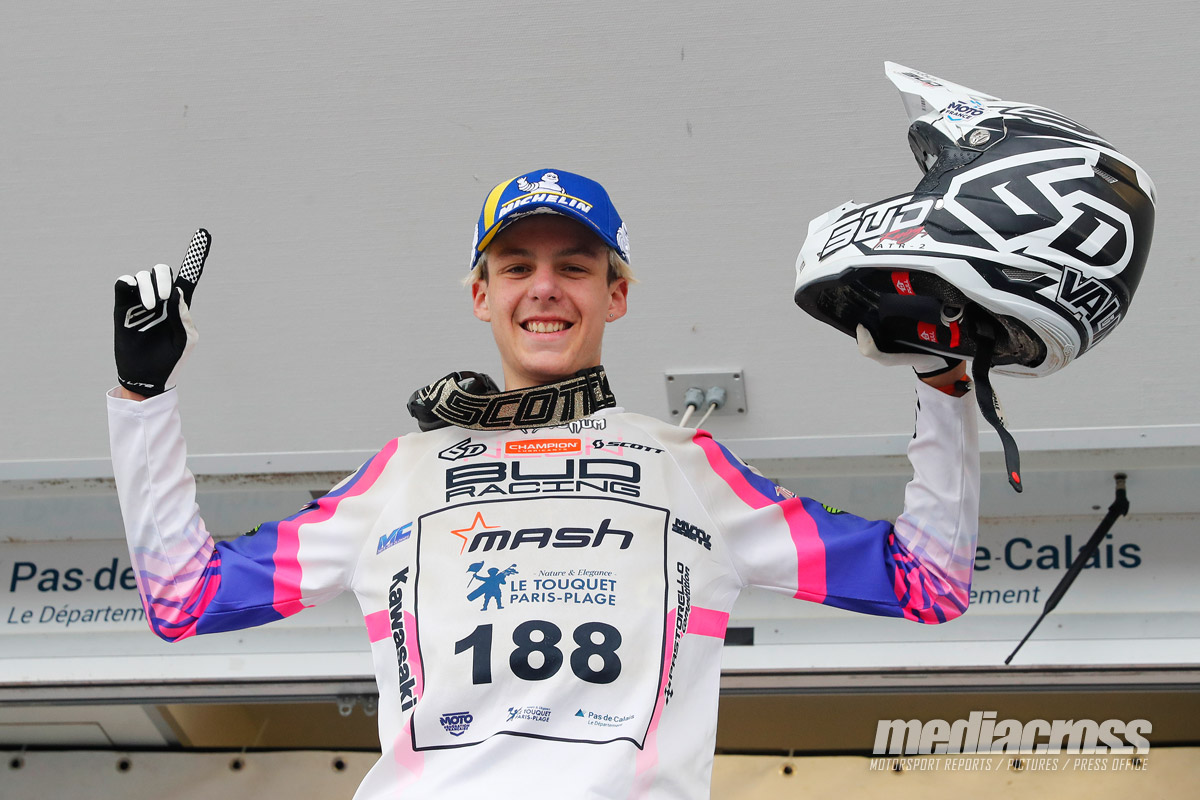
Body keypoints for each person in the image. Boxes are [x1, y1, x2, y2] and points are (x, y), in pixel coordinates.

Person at [108, 168, 979, 799]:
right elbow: (185, 599)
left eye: (576, 266)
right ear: (481, 295)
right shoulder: (399, 474)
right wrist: (142, 399)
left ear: (617, 295)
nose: (546, 289)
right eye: (517, 267)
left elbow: (928, 582)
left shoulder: (692, 470)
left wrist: (944, 389)